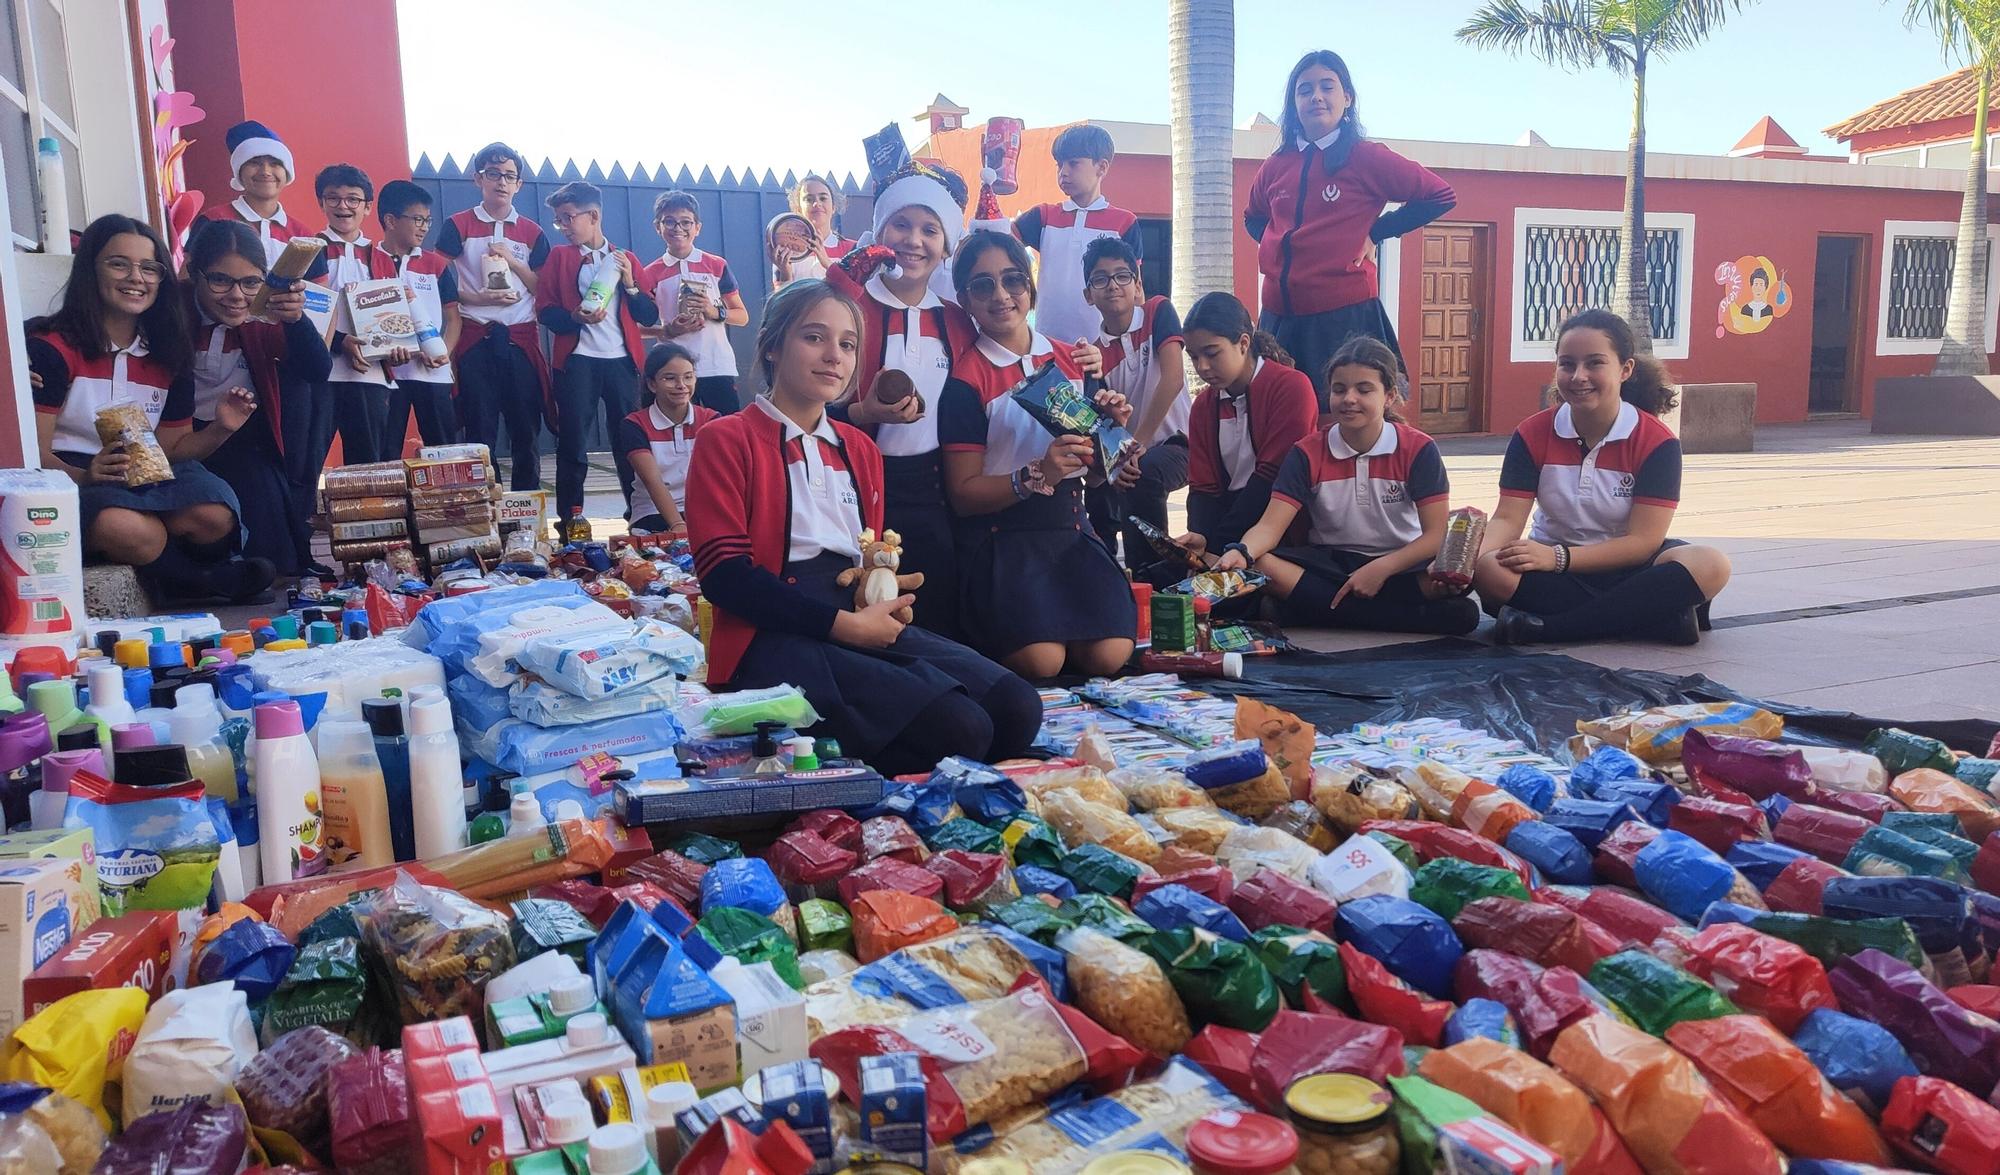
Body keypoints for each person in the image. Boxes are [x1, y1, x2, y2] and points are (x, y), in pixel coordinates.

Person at [685, 279, 1043, 776]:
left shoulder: (861, 449)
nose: (834, 355)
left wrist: (880, 598)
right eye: (814, 337)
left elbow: (869, 556)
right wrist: (842, 627)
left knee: (1018, 706)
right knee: (962, 728)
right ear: (771, 345)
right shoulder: (727, 439)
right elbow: (725, 578)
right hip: (772, 633)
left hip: (855, 617)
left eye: (848, 344)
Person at [25, 215, 277, 602]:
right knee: (130, 528)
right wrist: (87, 474)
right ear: (90, 269)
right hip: (71, 473)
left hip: (145, 471)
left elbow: (171, 449)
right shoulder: (51, 347)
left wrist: (220, 428)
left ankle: (172, 569)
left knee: (214, 515)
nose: (135, 278)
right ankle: (201, 582)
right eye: (118, 263)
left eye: (148, 268)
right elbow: (35, 457)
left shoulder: (166, 352)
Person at [938, 230, 1136, 679]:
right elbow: (963, 495)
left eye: (1013, 280)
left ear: (1030, 286)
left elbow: (1103, 475)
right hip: (1002, 538)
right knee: (1042, 662)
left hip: (1070, 527)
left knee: (1110, 656)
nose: (1002, 295)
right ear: (965, 299)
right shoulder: (965, 382)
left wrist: (1113, 436)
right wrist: (1036, 473)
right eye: (982, 285)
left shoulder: (1074, 361)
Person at [1474, 308, 1732, 646]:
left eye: (1594, 363)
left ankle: (1552, 629)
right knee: (1492, 571)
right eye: (1567, 364)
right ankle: (1654, 619)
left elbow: (1643, 542)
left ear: (1625, 370)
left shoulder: (1657, 441)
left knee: (1711, 564)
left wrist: (1560, 557)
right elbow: (1507, 518)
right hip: (1551, 568)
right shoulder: (1532, 433)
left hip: (1629, 568)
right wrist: (1470, 562)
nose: (1579, 376)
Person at [1215, 337, 1479, 634]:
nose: (1349, 398)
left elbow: (1435, 535)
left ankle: (1318, 610)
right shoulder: (1306, 452)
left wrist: (1381, 569)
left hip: (1400, 563)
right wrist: (1241, 552)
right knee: (1261, 565)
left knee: (1455, 581)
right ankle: (1392, 617)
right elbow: (1269, 528)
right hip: (1330, 564)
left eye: (1364, 389)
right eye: (1339, 389)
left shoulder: (1418, 449)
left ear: (1389, 396)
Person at [1245, 51, 1455, 407]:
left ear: (1348, 98)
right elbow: (1254, 218)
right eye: (1304, 90)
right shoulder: (1275, 165)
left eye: (1328, 87)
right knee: (1278, 416)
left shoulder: (1366, 157)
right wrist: (1280, 246)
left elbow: (1439, 195)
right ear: (1293, 103)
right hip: (1278, 318)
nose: (1316, 96)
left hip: (1343, 316)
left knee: (1346, 416)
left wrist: (1376, 232)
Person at [826, 160, 977, 639]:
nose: (914, 240)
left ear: (946, 245)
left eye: (930, 229)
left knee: (936, 611)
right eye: (902, 224)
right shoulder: (850, 307)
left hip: (935, 490)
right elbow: (807, 402)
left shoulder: (957, 320)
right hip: (856, 488)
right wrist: (862, 413)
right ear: (880, 231)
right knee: (864, 605)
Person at [181, 220, 333, 577]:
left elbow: (317, 368)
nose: (237, 296)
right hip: (179, 438)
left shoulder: (263, 317)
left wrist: (296, 320)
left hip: (243, 436)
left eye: (250, 282)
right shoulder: (170, 313)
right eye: (221, 280)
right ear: (194, 273)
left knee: (275, 553)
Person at [536, 181, 660, 527]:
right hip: (577, 362)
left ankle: (639, 514)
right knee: (573, 442)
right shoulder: (559, 257)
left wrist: (631, 283)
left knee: (629, 442)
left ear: (593, 216)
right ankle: (571, 518)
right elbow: (545, 311)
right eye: (558, 220)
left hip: (622, 362)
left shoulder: (625, 258)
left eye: (567, 218)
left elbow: (648, 315)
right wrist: (574, 317)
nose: (563, 227)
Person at [437, 141, 551, 491]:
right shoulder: (458, 225)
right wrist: (477, 296)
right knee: (479, 432)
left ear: (519, 184)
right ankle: (486, 512)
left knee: (525, 431)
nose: (501, 182)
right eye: (493, 174)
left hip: (519, 337)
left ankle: (527, 512)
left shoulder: (533, 232)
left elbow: (543, 289)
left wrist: (514, 261)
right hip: (476, 335)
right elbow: (434, 282)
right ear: (478, 179)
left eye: (509, 176)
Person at [1177, 292, 1318, 562]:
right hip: (1225, 524)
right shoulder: (1203, 406)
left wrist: (1217, 548)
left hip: (1281, 527)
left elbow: (1273, 476)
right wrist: (1203, 546)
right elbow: (1202, 489)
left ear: (1243, 343)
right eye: (1194, 357)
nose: (1202, 367)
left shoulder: (1291, 387)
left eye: (1212, 353)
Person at [1080, 236, 1187, 569]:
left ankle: (1154, 580)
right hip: (1130, 453)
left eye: (1122, 275)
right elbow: (1102, 423)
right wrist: (1113, 463)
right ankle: (1105, 571)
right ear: (1088, 294)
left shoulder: (1158, 312)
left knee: (1141, 473)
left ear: (1137, 284)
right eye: (1101, 278)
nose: (1113, 285)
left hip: (1181, 444)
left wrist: (1133, 448)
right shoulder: (1093, 354)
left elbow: (1173, 379)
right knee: (1097, 484)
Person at [992, 124, 1142, 349]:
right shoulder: (1043, 216)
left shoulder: (1125, 222)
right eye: (1059, 165)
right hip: (1045, 344)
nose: (1063, 172)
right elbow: (995, 246)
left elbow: (1137, 291)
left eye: (1073, 163)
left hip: (1103, 348)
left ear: (1101, 167)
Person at [316, 163, 398, 467]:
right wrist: (340, 342)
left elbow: (392, 316)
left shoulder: (382, 258)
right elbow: (305, 315)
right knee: (308, 461)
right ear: (321, 203)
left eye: (353, 198)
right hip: (320, 373)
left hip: (370, 374)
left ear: (367, 207)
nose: (343, 206)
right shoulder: (311, 249)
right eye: (333, 198)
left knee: (368, 467)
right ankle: (303, 517)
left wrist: (396, 348)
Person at [642, 191, 748, 414]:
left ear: (697, 227)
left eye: (685, 222)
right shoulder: (650, 273)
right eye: (669, 221)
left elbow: (741, 316)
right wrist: (665, 331)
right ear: (657, 227)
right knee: (674, 434)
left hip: (716, 365)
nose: (677, 228)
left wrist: (713, 311)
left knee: (724, 433)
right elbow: (634, 328)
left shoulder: (716, 265)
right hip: (672, 369)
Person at [375, 179, 460, 448]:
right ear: (390, 220)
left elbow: (454, 317)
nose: (424, 227)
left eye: (427, 221)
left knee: (443, 450)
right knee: (385, 452)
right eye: (417, 219)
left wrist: (443, 352)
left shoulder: (435, 264)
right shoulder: (369, 260)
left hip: (432, 373)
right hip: (388, 373)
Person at [195, 120, 328, 278]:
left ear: (287, 174)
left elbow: (320, 292)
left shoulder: (303, 235)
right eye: (254, 163)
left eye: (275, 164)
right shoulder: (212, 220)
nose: (265, 171)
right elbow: (188, 280)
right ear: (239, 172)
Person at [618, 344, 717, 536]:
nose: (681, 385)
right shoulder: (634, 424)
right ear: (652, 384)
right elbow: (652, 480)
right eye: (670, 378)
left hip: (702, 510)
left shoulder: (712, 420)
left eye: (688, 376)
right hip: (652, 512)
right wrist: (678, 525)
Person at [771, 174, 854, 286]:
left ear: (833, 207)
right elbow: (780, 301)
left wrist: (828, 265)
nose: (817, 203)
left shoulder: (852, 249)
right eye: (809, 199)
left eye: (823, 198)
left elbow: (858, 298)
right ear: (798, 209)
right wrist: (786, 275)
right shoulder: (788, 251)